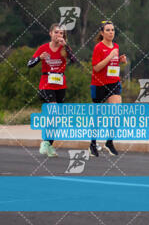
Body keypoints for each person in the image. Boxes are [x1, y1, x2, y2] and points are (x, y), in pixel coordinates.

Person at [28, 24, 78, 157]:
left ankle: (49, 144)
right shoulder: (43, 48)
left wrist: (66, 46)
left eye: (61, 33)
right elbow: (29, 64)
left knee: (56, 118)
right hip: (46, 84)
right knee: (53, 111)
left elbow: (74, 61)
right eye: (56, 32)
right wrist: (39, 58)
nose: (59, 35)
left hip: (60, 85)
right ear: (50, 33)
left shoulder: (64, 49)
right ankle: (45, 142)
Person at [89, 21, 127, 157]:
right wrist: (110, 56)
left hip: (113, 83)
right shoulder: (98, 47)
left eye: (112, 30)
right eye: (108, 30)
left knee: (116, 113)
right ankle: (92, 143)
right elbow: (96, 67)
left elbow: (112, 65)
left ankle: (109, 142)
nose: (111, 32)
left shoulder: (115, 46)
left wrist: (120, 60)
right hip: (99, 84)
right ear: (102, 33)